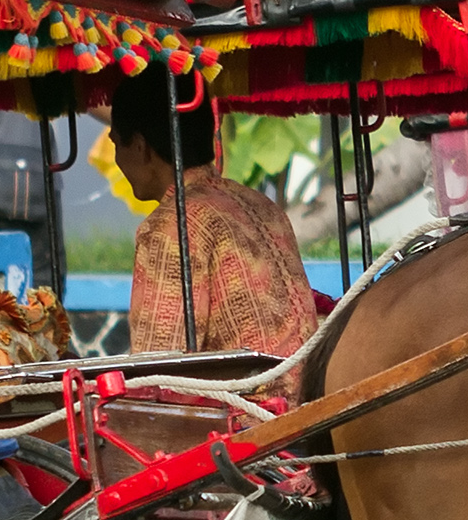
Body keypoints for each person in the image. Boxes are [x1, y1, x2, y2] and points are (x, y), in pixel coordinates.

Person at [111, 67, 319, 355]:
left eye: (116, 144)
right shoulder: (264, 205)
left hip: (251, 398)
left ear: (139, 147)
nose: (117, 159)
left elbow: (158, 369)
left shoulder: (171, 226)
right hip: (311, 391)